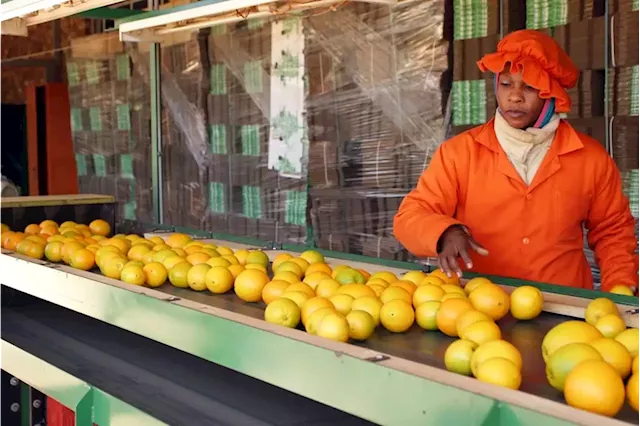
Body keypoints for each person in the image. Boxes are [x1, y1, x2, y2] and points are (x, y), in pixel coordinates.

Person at [393, 30, 638, 292]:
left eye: (530, 86)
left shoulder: (590, 159)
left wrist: (620, 290)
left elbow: (613, 233)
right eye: (506, 84)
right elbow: (410, 216)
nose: (515, 97)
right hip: (477, 307)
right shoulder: (459, 153)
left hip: (565, 307)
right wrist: (443, 232)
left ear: (550, 93)